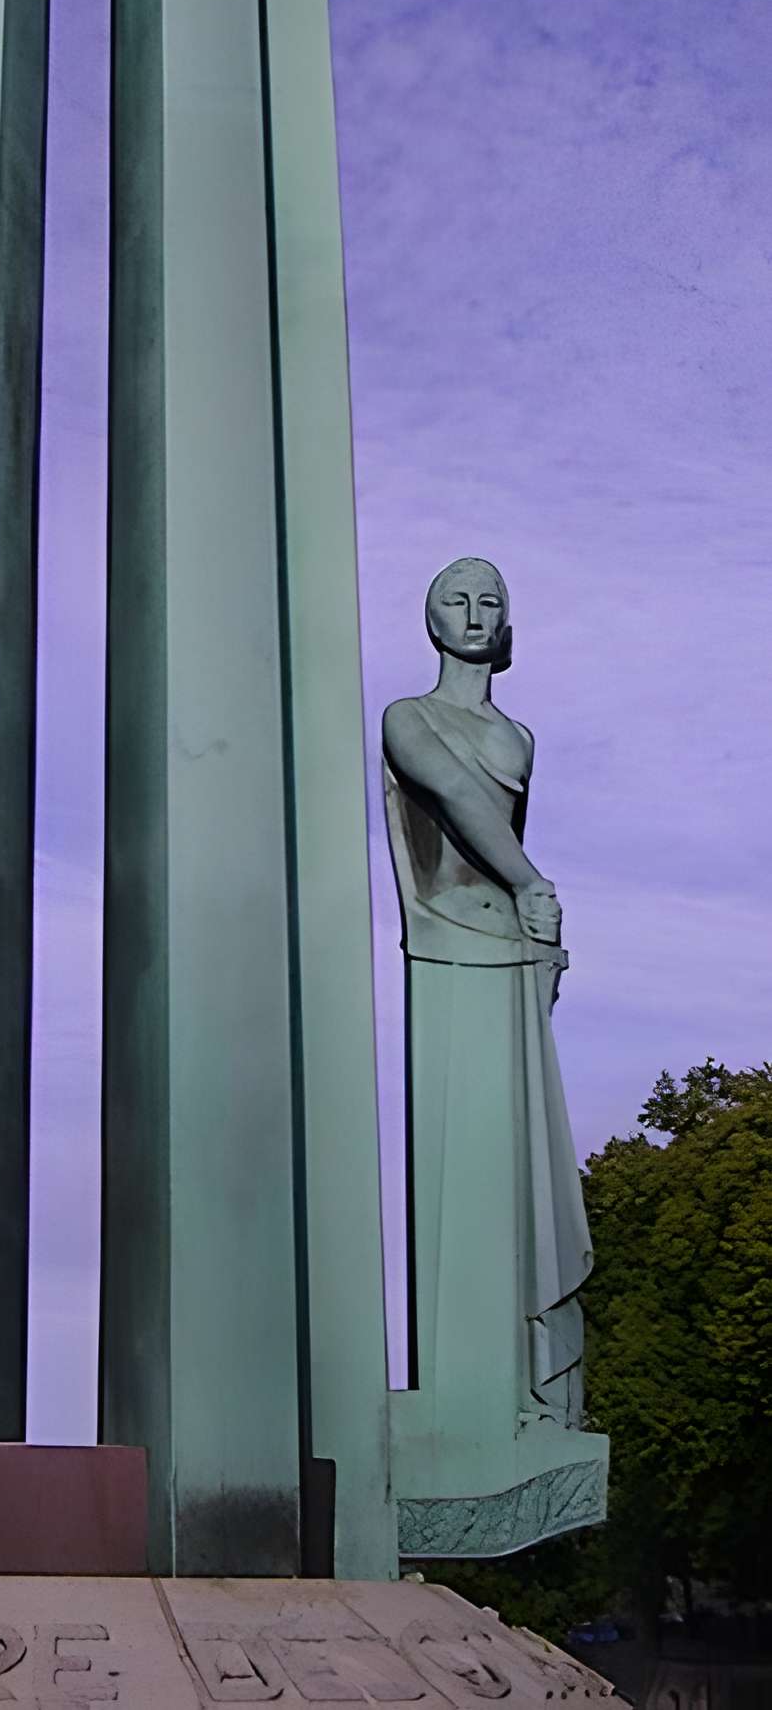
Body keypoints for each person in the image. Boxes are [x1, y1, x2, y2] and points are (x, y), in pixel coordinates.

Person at [382, 557, 591, 1438]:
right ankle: (466, 1400)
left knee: (521, 1174)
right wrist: (535, 882)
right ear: (431, 622)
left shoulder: (521, 737)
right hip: (448, 950)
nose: (473, 613)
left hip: (511, 953)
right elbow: (463, 801)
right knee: (460, 1174)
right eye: (455, 601)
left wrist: (535, 921)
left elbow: (498, 822)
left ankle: (520, 1396)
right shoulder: (408, 718)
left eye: (489, 602)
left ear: (505, 623)